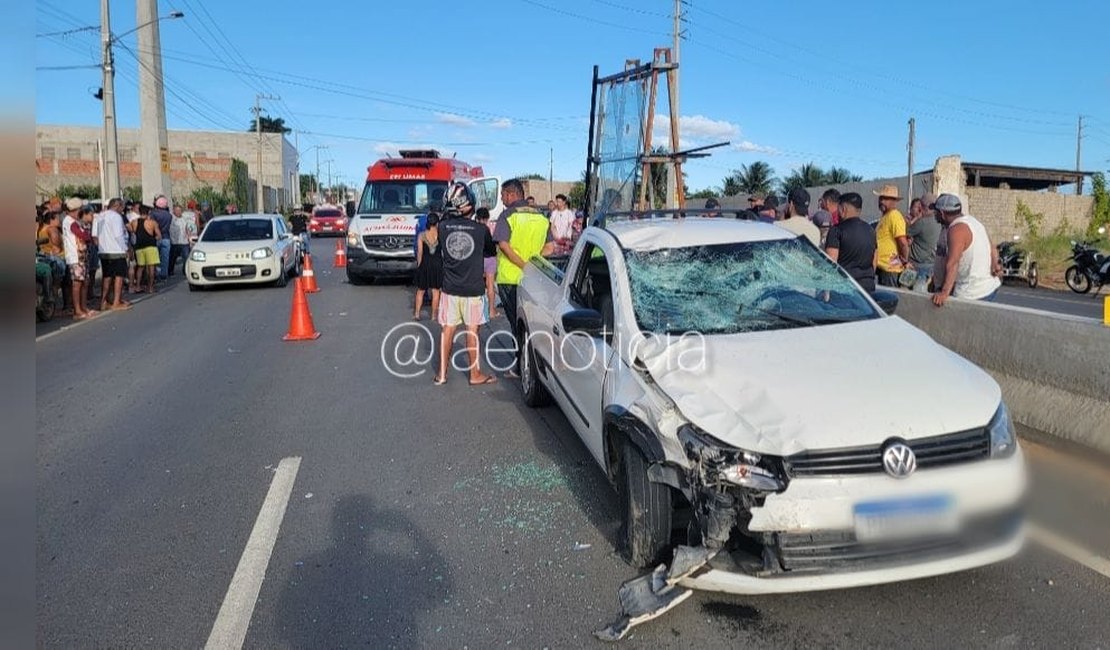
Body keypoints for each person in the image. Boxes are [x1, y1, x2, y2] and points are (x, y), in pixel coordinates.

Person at [435, 184, 497, 386]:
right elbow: (490, 252)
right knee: (472, 332)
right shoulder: (481, 229)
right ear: (468, 204)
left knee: (447, 330)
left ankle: (442, 374)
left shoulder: (442, 228)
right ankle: (475, 374)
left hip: (450, 289)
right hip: (473, 289)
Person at [494, 179, 555, 377]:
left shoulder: (508, 215)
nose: (502, 199)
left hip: (510, 278)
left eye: (503, 195)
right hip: (534, 280)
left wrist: (523, 265)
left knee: (516, 324)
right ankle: (533, 363)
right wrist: (533, 264)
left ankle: (519, 365)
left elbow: (503, 244)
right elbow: (550, 248)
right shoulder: (541, 216)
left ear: (512, 195)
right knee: (532, 323)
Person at [931, 194, 1001, 306]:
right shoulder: (974, 222)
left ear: (942, 214)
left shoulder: (956, 230)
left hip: (972, 292)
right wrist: (995, 265)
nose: (934, 215)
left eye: (936, 212)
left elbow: (953, 263)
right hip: (988, 286)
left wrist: (944, 293)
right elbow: (992, 247)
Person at [824, 192, 877, 292]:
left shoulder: (836, 231)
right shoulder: (871, 230)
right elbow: (874, 260)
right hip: (868, 287)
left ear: (842, 209)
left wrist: (827, 292)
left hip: (845, 289)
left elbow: (831, 264)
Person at [92, 198, 132, 310]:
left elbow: (94, 235)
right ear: (117, 206)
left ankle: (103, 301)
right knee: (119, 276)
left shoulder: (99, 216)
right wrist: (126, 249)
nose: (122, 210)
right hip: (116, 250)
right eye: (122, 207)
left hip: (104, 250)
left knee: (107, 276)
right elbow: (118, 235)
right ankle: (116, 301)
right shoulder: (116, 217)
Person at [61, 198, 96, 319]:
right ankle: (77, 310)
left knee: (84, 282)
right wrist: (89, 236)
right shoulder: (70, 222)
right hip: (75, 257)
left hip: (82, 255)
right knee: (77, 284)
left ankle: (83, 307)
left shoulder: (75, 221)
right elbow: (82, 235)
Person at [872, 184, 909, 287]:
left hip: (890, 269)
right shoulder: (885, 216)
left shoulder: (894, 216)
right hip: (882, 267)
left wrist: (904, 261)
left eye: (885, 199)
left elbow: (903, 243)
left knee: (889, 299)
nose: (881, 202)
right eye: (881, 198)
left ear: (894, 201)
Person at [905, 193, 942, 293]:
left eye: (920, 205)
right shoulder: (939, 222)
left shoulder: (922, 222)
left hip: (916, 266)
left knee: (908, 296)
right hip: (931, 265)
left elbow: (903, 232)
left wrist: (915, 218)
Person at [413, 212, 443, 321]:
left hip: (425, 263)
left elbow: (420, 252)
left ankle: (417, 313)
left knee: (420, 290)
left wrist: (419, 265)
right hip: (437, 264)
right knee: (436, 291)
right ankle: (434, 315)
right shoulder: (441, 235)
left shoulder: (421, 235)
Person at [475, 207, 499, 319]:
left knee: (477, 284)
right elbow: (491, 246)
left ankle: (477, 311)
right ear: (487, 218)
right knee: (490, 285)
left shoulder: (474, 229)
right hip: (489, 258)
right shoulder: (486, 229)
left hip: (478, 259)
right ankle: (491, 311)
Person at [132, 204, 161, 294]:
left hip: (139, 247)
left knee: (140, 267)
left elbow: (133, 232)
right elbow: (159, 235)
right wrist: (153, 239)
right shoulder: (152, 222)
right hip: (150, 246)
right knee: (151, 267)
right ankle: (150, 287)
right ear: (148, 212)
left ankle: (137, 286)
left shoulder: (134, 222)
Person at [168, 205, 197, 276]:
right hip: (175, 242)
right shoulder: (171, 219)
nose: (178, 212)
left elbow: (188, 228)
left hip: (184, 242)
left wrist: (189, 235)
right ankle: (170, 270)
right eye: (177, 210)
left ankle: (185, 271)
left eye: (180, 211)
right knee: (173, 258)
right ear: (173, 211)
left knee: (186, 257)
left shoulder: (184, 219)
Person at [150, 195, 173, 280]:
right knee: (165, 258)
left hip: (156, 237)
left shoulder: (153, 214)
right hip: (166, 237)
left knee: (155, 258)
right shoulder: (169, 215)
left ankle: (155, 274)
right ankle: (164, 275)